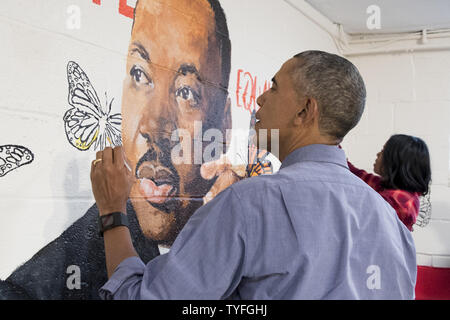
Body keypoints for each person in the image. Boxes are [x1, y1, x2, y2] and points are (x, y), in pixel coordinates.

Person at [93, 51, 417, 299]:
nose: (260, 98)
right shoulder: (392, 226)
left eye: (274, 87)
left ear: (305, 111)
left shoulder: (250, 203)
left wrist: (111, 212)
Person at [0, 0, 237, 299]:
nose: (153, 124)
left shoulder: (236, 247)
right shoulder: (40, 282)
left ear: (224, 126)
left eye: (186, 92)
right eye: (139, 75)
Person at [345, 134, 432, 231]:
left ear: (395, 161)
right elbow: (359, 175)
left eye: (383, 151)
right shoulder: (389, 187)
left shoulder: (398, 201)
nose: (378, 154)